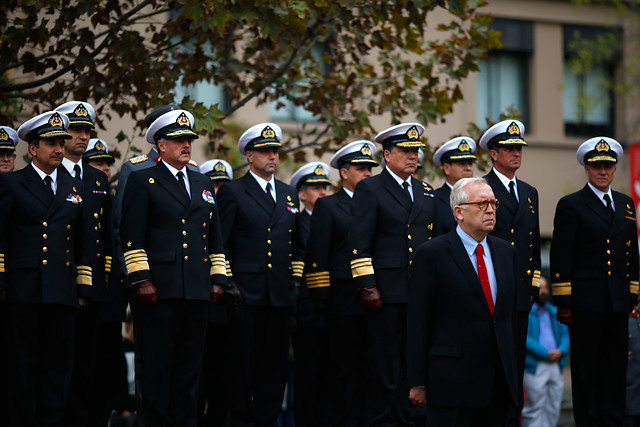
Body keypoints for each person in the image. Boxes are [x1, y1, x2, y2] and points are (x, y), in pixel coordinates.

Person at [120, 107, 227, 426]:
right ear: (160, 144)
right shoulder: (143, 178)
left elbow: (214, 235)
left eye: (189, 140)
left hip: (196, 288)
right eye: (179, 140)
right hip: (159, 289)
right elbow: (131, 234)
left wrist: (218, 278)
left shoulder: (201, 178)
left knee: (188, 370)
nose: (186, 145)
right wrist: (141, 280)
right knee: (156, 370)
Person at [0, 110, 92, 425]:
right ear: (33, 148)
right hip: (23, 291)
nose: (58, 148)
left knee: (57, 366)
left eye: (60, 142)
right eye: (51, 142)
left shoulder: (73, 186)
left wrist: (83, 288)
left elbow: (83, 243)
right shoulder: (12, 184)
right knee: (21, 367)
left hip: (60, 292)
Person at [407, 177, 519, 426]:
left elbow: (509, 319)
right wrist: (418, 382)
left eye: (493, 203)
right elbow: (418, 322)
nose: (490, 210)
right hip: (451, 385)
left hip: (499, 385)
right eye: (481, 203)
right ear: (459, 212)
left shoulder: (506, 252)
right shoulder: (431, 254)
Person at [216, 122, 304, 426]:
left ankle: (267, 420)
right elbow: (220, 244)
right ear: (249, 155)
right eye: (265, 151)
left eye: (275, 151)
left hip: (279, 296)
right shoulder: (233, 191)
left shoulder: (289, 194)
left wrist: (294, 281)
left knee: (274, 369)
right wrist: (228, 284)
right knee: (242, 369)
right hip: (246, 296)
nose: (272, 157)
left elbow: (298, 246)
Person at [349, 122, 437, 426]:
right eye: (405, 151)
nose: (412, 156)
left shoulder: (425, 190)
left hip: (419, 291)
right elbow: (360, 241)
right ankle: (381, 420)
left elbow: (432, 241)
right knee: (384, 366)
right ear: (387, 154)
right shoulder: (370, 188)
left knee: (414, 365)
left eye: (416, 151)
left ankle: (410, 419)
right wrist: (366, 285)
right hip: (386, 291)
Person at [550, 136, 639, 426]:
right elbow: (561, 257)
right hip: (585, 305)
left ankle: (612, 421)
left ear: (614, 170)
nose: (603, 171)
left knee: (615, 370)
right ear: (586, 169)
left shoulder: (626, 205)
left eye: (608, 166)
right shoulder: (572, 205)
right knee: (587, 372)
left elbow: (631, 257)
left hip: (617, 302)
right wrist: (564, 303)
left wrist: (633, 295)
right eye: (596, 166)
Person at [305, 140, 378, 426]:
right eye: (361, 169)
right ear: (344, 172)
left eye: (370, 169)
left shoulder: (376, 202)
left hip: (375, 300)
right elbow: (318, 254)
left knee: (370, 371)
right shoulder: (328, 205)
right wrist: (323, 298)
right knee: (341, 371)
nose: (368, 174)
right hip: (342, 302)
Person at [54, 100, 112, 426]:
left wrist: (99, 283)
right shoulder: (52, 173)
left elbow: (102, 237)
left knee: (88, 366)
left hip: (94, 288)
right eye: (76, 129)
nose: (82, 136)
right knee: (59, 362)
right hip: (61, 284)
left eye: (87, 130)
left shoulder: (96, 178)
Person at [479, 119, 541, 422]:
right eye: (509, 148)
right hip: (491, 289)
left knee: (516, 361)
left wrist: (532, 288)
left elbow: (534, 249)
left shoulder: (529, 192)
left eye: (519, 148)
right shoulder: (481, 188)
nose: (516, 153)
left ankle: (512, 416)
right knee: (492, 359)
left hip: (520, 293)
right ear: (493, 154)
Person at [289, 161, 331, 427]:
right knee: (308, 378)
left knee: (332, 377)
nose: (323, 192)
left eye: (325, 186)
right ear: (301, 194)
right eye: (316, 188)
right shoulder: (296, 222)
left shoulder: (338, 216)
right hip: (307, 312)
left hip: (336, 310)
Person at [197, 157, 234, 427]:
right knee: (198, 373)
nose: (218, 190)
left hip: (226, 306)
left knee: (223, 376)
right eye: (213, 184)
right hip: (199, 303)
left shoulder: (231, 208)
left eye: (223, 184)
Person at [521, 276, 569, 427]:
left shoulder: (554, 311)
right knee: (534, 408)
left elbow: (565, 334)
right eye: (540, 288)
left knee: (553, 406)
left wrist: (560, 351)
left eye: (545, 287)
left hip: (555, 364)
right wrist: (545, 353)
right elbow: (526, 339)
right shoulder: (527, 313)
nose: (543, 291)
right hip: (535, 365)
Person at [433, 136, 477, 234]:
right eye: (462, 164)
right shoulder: (435, 199)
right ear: (447, 168)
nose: (468, 168)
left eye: (470, 163)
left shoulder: (478, 196)